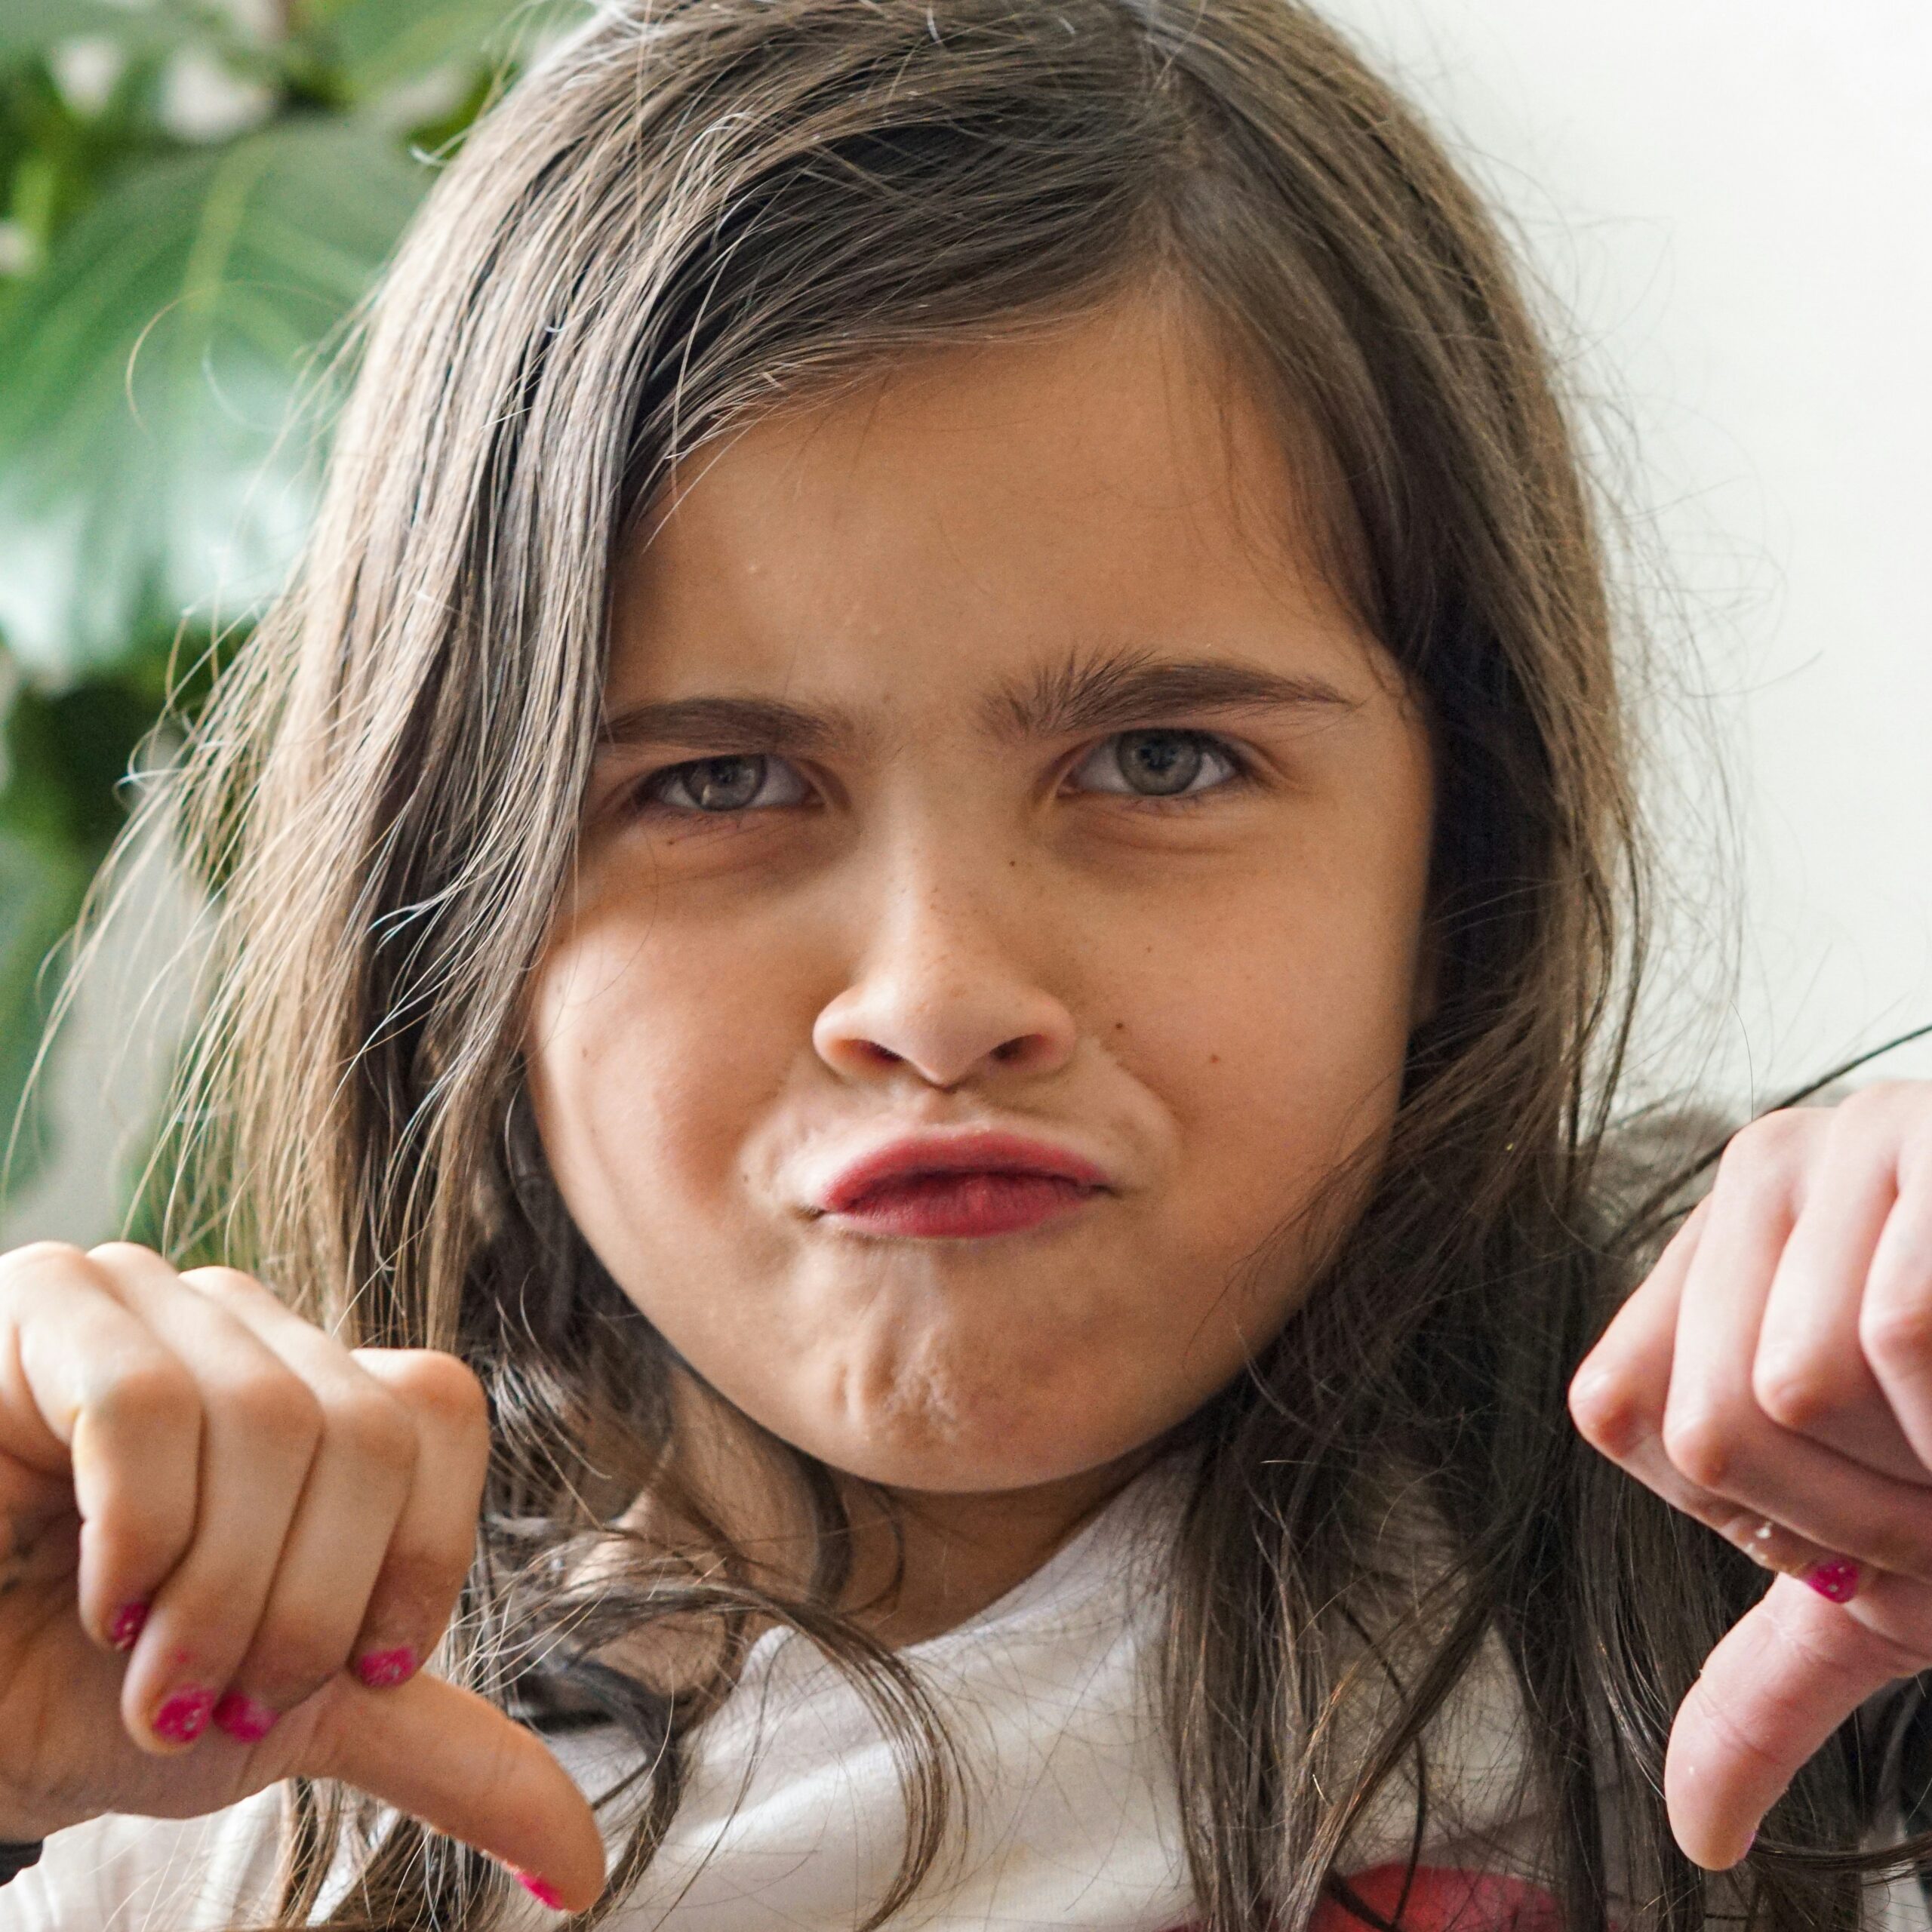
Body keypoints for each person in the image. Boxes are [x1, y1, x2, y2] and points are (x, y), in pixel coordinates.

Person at [0, 1, 1928, 1926]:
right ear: (459, 895)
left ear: (1461, 857)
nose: (932, 997)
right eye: (719, 780)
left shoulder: (1801, 1564)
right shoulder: (186, 1773)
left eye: (1159, 761)